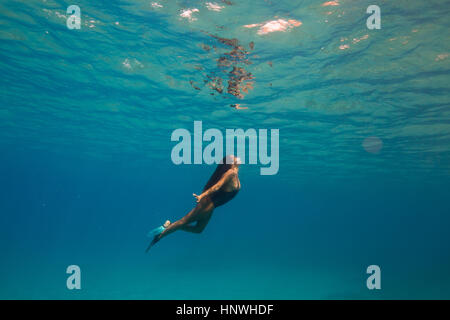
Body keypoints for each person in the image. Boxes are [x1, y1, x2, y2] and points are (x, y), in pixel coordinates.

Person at [146, 155, 241, 252]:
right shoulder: (230, 173)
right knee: (183, 221)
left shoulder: (235, 175)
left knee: (198, 230)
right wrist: (202, 195)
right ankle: (158, 237)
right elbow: (216, 187)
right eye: (234, 157)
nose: (237, 157)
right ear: (230, 163)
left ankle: (170, 225)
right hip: (207, 204)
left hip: (211, 206)